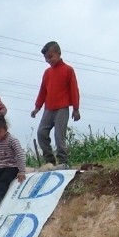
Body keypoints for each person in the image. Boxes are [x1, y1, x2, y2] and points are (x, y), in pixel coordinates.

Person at [30, 41, 80, 170]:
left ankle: (63, 161)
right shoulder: (47, 73)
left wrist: (76, 108)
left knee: (59, 135)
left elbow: (74, 89)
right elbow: (42, 91)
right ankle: (50, 161)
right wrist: (37, 107)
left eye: (50, 56)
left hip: (62, 108)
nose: (48, 60)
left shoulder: (68, 70)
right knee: (41, 133)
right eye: (46, 58)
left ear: (59, 53)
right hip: (49, 108)